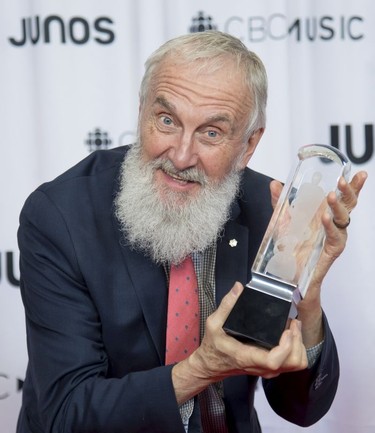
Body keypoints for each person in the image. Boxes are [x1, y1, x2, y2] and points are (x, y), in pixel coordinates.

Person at [17, 30, 367, 433]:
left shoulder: (269, 213)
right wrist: (199, 370)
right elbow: (65, 416)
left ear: (248, 146)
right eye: (167, 121)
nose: (181, 156)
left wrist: (307, 290)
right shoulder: (61, 215)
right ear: (142, 112)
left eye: (211, 133)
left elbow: (301, 409)